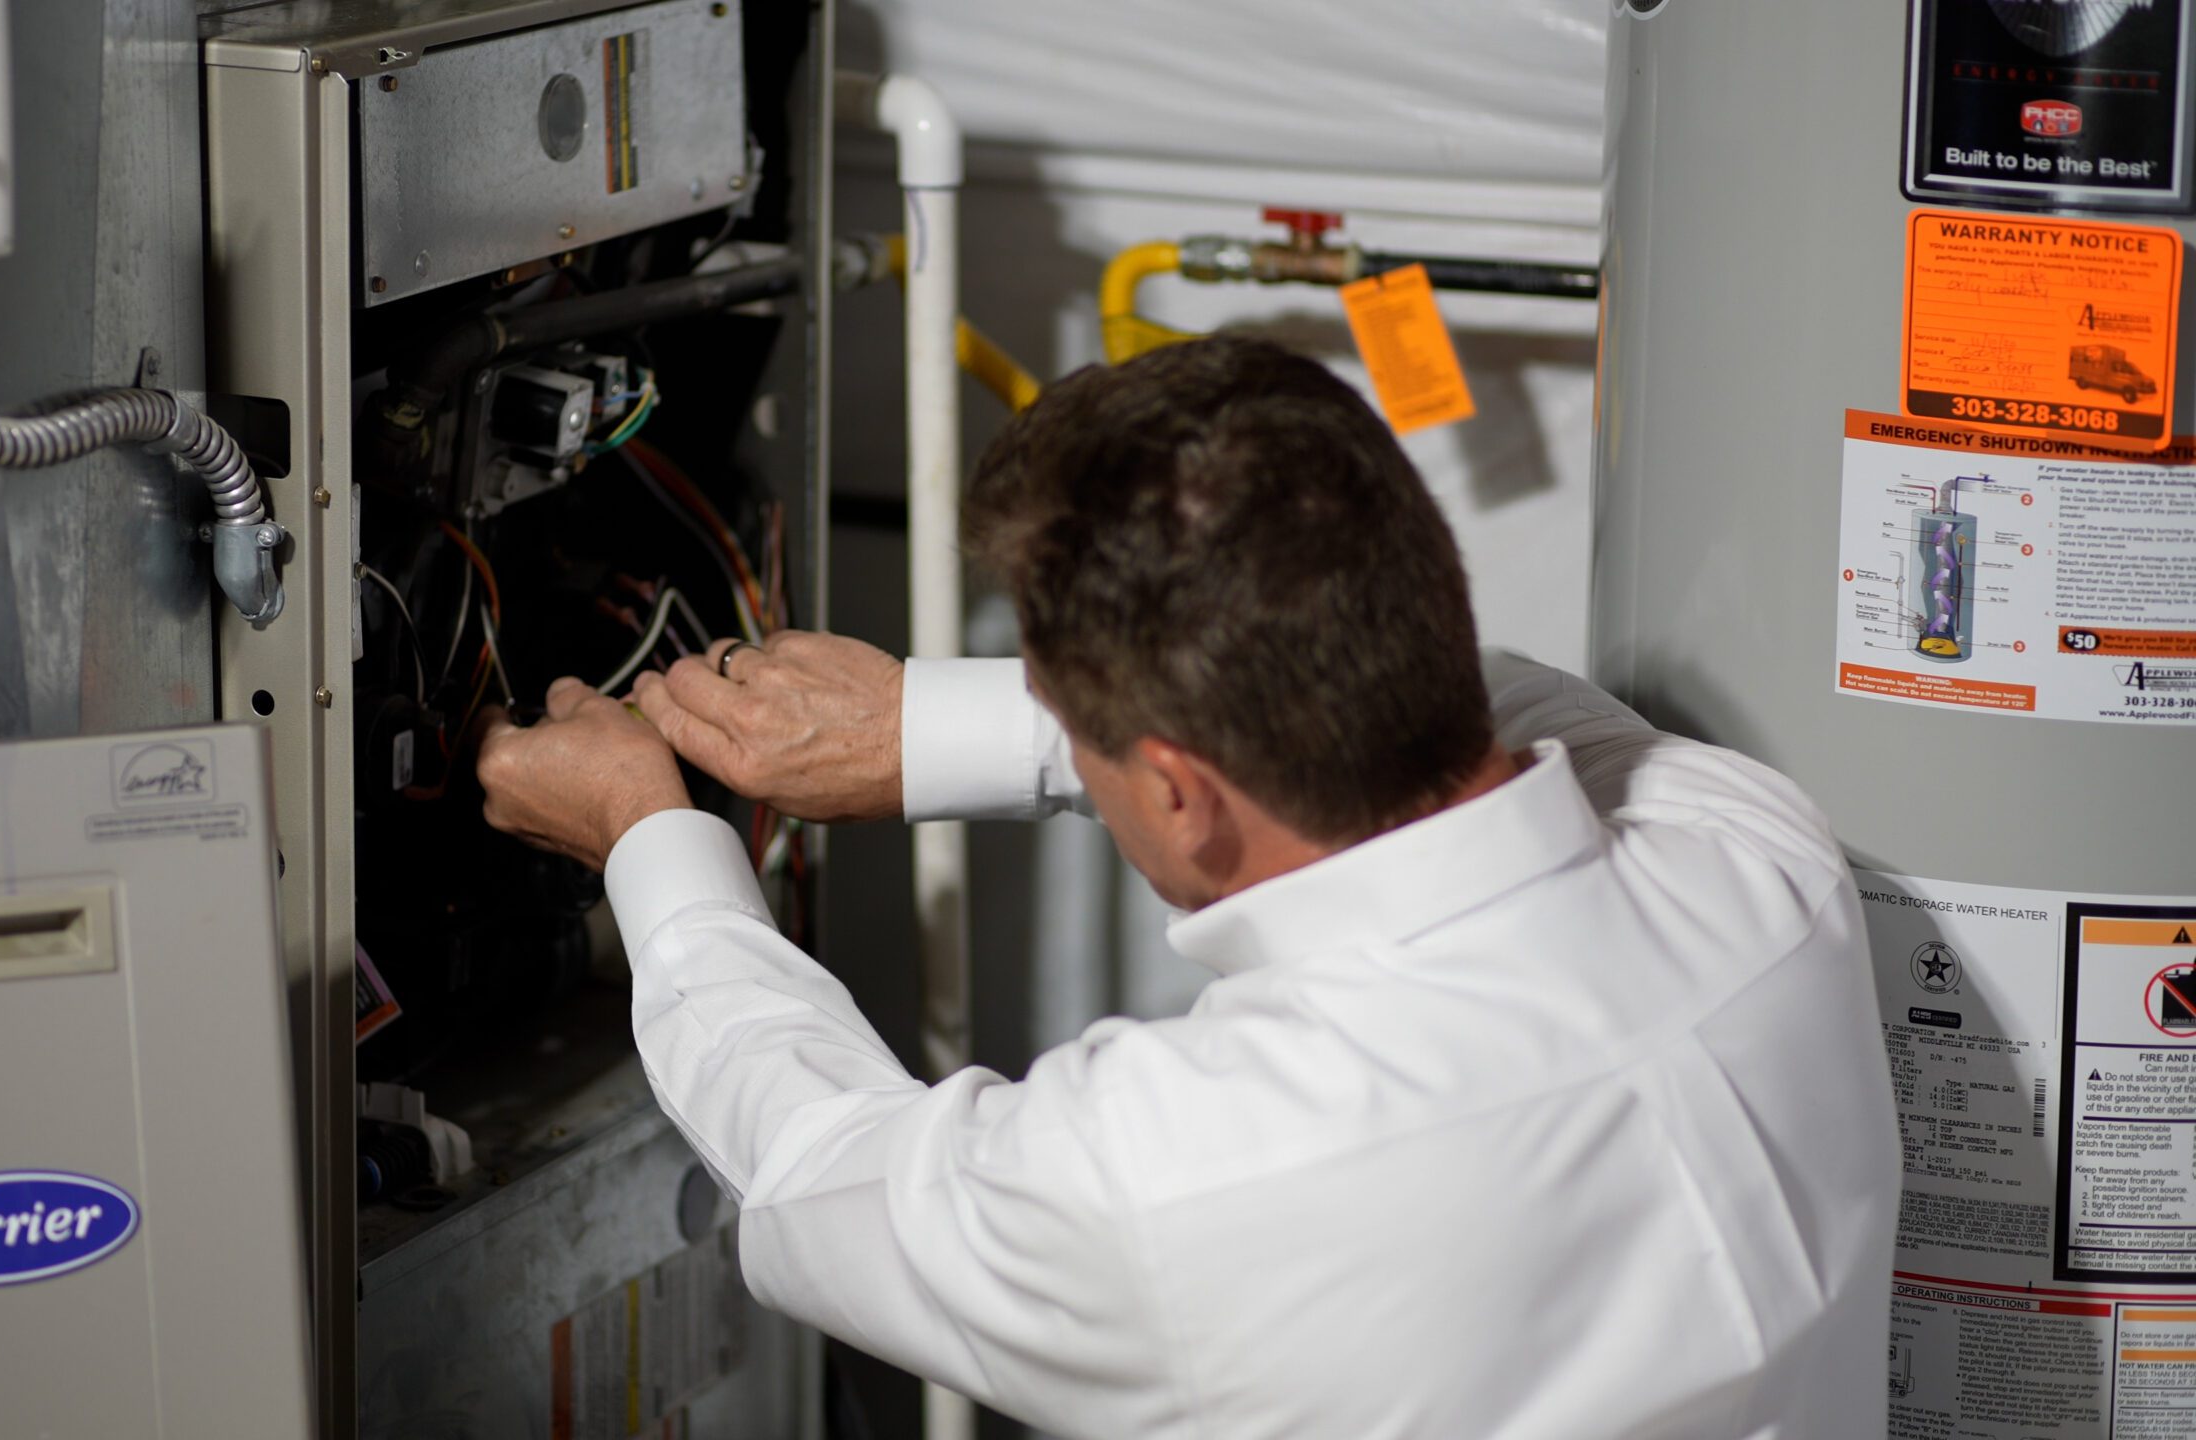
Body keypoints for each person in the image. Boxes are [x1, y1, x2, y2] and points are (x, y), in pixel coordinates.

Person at [475, 337, 1898, 1437]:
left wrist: (644, 833)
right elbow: (1515, 697)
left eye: (1085, 740)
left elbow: (812, 1158)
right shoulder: (1760, 860)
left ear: (1175, 792)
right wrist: (928, 730)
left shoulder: (1185, 1173)